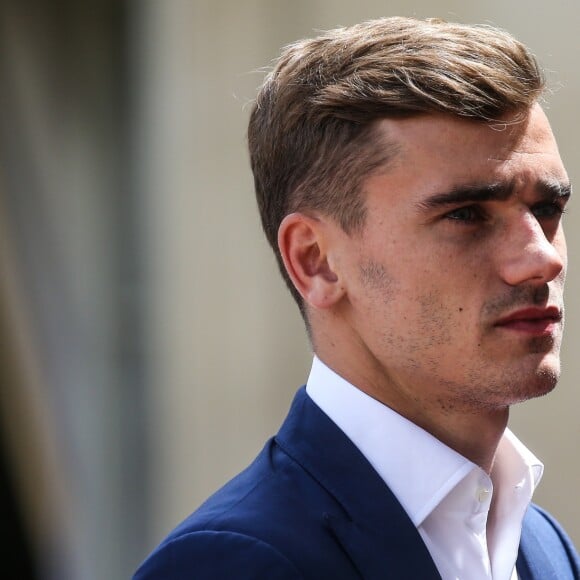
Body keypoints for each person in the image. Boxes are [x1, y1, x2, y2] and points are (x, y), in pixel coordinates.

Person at [134, 16, 579, 579]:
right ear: (315, 260)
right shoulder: (234, 563)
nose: (543, 258)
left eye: (547, 209)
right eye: (466, 215)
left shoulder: (540, 545)